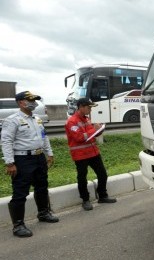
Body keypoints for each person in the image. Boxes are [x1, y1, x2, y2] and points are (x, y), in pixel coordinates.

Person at [1, 91, 59, 238]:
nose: (33, 103)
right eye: (30, 100)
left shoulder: (37, 119)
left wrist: (49, 153)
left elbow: (44, 137)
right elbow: (6, 141)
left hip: (39, 157)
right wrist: (9, 163)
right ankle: (18, 225)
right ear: (21, 102)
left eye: (34, 100)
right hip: (22, 160)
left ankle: (43, 213)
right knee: (20, 192)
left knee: (42, 186)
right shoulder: (12, 120)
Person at [65, 98, 116, 211]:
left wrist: (99, 130)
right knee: (82, 178)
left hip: (93, 152)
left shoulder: (87, 119)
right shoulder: (72, 121)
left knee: (102, 174)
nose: (90, 110)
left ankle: (102, 196)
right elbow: (79, 137)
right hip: (80, 155)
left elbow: (91, 135)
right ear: (81, 107)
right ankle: (85, 200)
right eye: (89, 107)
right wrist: (94, 130)